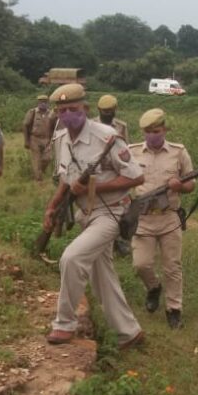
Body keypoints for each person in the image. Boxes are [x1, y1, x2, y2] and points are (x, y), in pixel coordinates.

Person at [43, 83, 145, 350]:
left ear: (85, 109)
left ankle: (64, 324)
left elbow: (136, 177)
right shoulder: (62, 139)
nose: (67, 115)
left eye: (73, 109)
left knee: (72, 258)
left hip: (112, 212)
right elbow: (66, 179)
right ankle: (129, 333)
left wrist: (94, 187)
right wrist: (52, 207)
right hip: (85, 215)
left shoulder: (107, 137)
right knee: (103, 278)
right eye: (62, 110)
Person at [127, 109, 196, 329]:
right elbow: (124, 180)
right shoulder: (132, 152)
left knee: (172, 267)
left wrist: (180, 186)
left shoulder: (178, 152)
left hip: (169, 218)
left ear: (165, 129)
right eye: (147, 132)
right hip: (143, 220)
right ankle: (153, 287)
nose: (152, 135)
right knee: (140, 264)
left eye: (156, 131)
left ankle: (174, 309)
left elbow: (191, 184)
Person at [23, 95, 55, 182]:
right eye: (41, 101)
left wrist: (52, 139)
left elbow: (53, 126)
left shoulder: (51, 113)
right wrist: (26, 141)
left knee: (47, 158)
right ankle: (38, 181)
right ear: (38, 102)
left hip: (47, 139)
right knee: (36, 160)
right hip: (35, 139)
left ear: (48, 102)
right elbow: (25, 125)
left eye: (45, 101)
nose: (43, 103)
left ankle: (39, 172)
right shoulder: (32, 112)